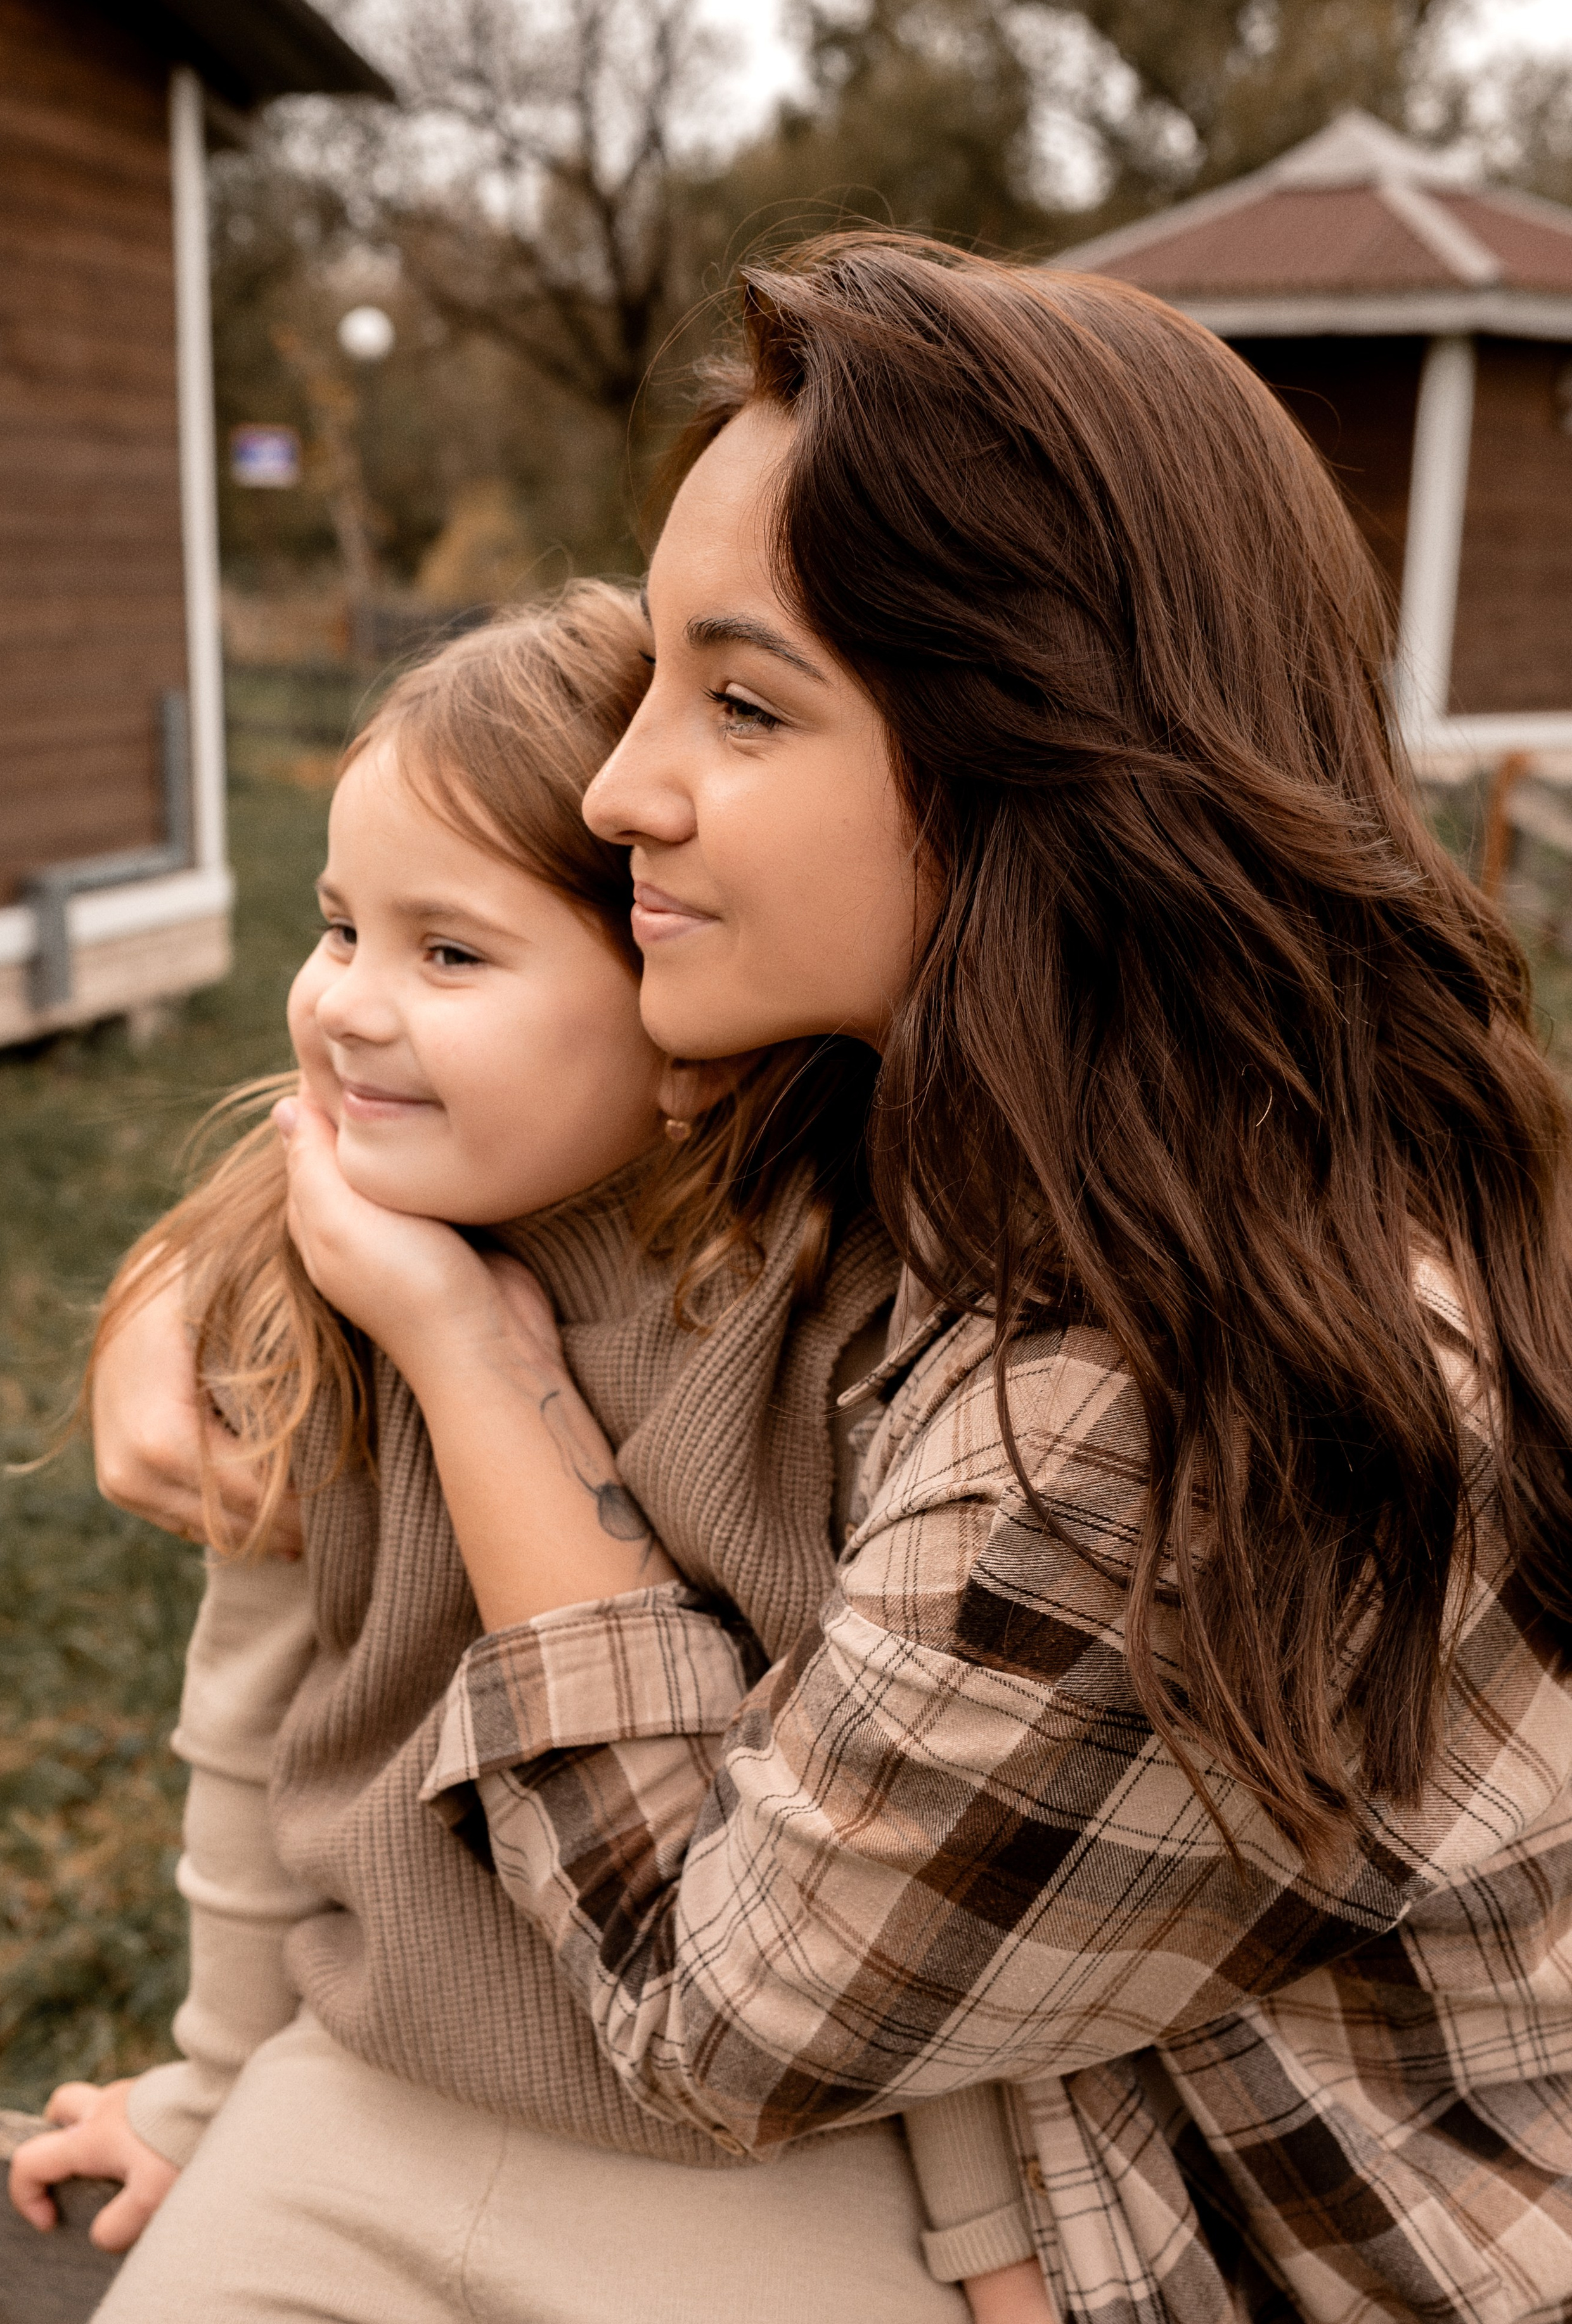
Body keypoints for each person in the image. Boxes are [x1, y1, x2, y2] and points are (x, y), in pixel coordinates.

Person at [256, 235, 1572, 2321]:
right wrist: (231, 1266)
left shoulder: (1163, 1422)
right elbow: (506, 1105)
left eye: (744, 701)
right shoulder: (1104, 1134)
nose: (617, 790)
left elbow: (716, 2013)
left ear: (1044, 750)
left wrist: (469, 1365)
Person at [11, 582, 1046, 2322]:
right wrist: (208, 2086)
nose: (346, 1006)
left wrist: (988, 2251)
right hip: (366, 2092)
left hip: (764, 2167)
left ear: (679, 1006)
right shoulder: (317, 1272)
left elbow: (902, 1852)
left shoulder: (834, 1327)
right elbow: (249, 1730)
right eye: (339, 928)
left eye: (451, 954)